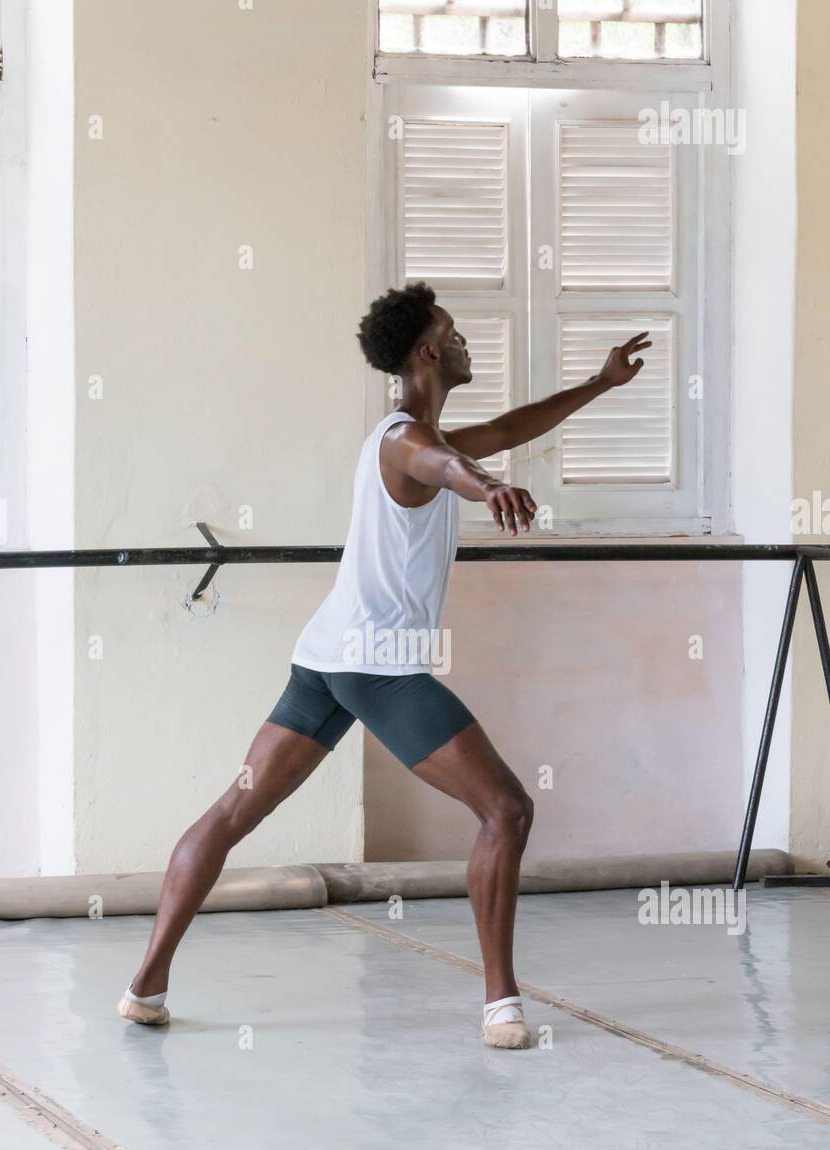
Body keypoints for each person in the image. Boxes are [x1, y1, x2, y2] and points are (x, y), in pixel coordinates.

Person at [118, 283, 649, 1049]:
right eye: (455, 333)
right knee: (507, 812)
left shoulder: (404, 436)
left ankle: (144, 987)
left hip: (324, 657)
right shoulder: (407, 441)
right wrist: (490, 485)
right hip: (377, 667)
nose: (466, 344)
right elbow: (451, 465)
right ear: (428, 352)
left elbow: (498, 430)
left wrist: (598, 385)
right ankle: (501, 1005)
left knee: (231, 814)